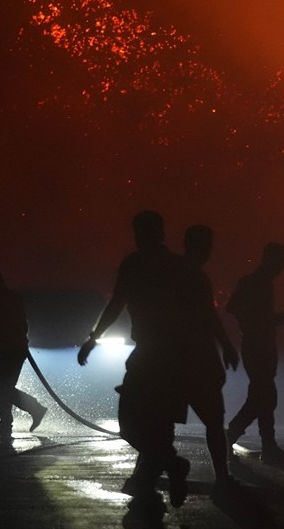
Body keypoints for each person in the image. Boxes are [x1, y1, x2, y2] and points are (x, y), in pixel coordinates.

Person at [78, 210, 191, 512]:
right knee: (144, 425)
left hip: (161, 353)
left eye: (144, 232)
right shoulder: (165, 265)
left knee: (144, 424)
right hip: (161, 353)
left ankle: (153, 480)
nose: (140, 238)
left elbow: (118, 303)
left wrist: (93, 339)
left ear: (157, 233)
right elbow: (118, 302)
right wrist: (93, 338)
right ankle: (167, 469)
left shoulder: (152, 265)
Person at [181, 224, 242, 496]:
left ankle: (144, 475)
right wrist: (226, 346)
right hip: (199, 358)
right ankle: (222, 477)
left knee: (161, 422)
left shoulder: (172, 274)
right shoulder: (197, 277)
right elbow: (209, 316)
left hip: (174, 358)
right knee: (214, 422)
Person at [225, 242, 284, 462]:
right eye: (281, 261)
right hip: (258, 347)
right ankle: (234, 435)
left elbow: (236, 308)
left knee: (262, 396)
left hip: (259, 346)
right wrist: (271, 319)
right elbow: (236, 308)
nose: (283, 266)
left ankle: (265, 444)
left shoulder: (256, 283)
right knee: (264, 397)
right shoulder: (257, 284)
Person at [0, 268, 48, 440]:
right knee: (3, 387)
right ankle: (10, 421)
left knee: (3, 388)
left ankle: (28, 412)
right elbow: (18, 321)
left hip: (10, 348)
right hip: (12, 347)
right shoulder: (11, 296)